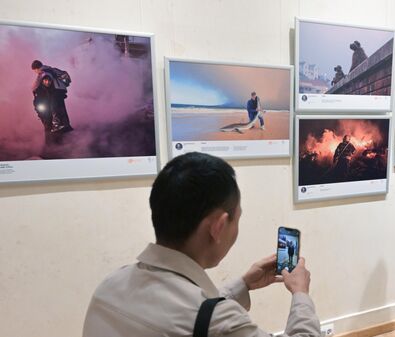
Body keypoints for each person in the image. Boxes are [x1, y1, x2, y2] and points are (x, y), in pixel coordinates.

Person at [83, 152, 320, 337]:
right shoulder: (220, 322)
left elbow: (190, 312)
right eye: (237, 218)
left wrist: (243, 285)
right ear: (218, 226)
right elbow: (200, 318)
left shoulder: (111, 285)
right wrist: (301, 294)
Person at [31, 60, 73, 132]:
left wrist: (40, 88)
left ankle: (57, 125)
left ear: (36, 68)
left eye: (35, 71)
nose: (35, 72)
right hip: (61, 89)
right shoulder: (50, 69)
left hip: (56, 90)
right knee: (61, 107)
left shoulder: (44, 72)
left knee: (53, 106)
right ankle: (66, 125)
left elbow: (46, 80)